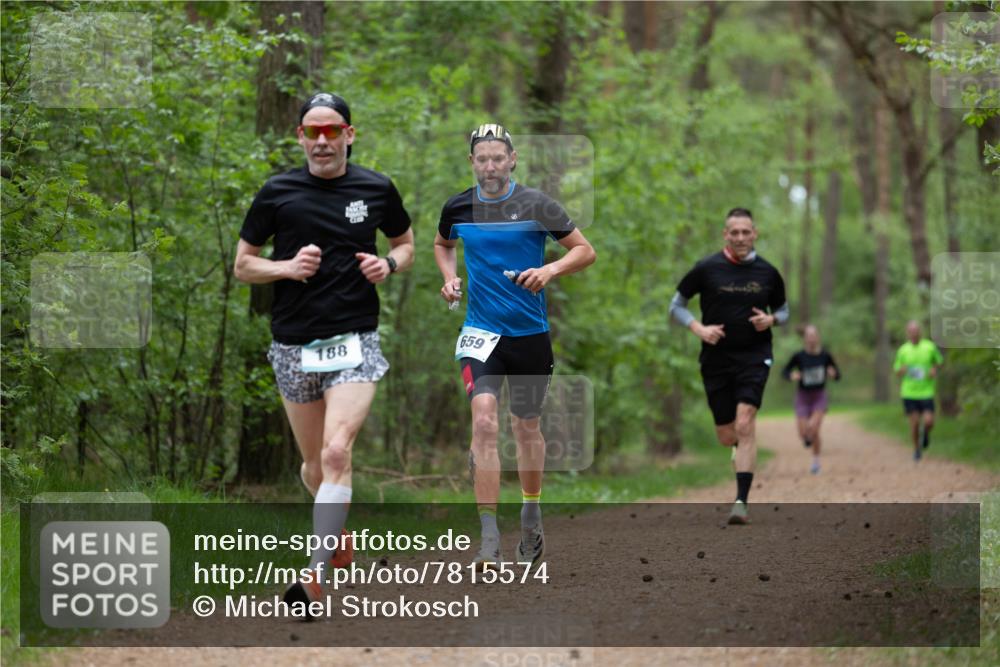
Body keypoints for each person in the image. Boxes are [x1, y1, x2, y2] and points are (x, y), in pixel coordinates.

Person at [234, 93, 414, 610]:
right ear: (299, 137)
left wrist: (390, 265)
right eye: (312, 132)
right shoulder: (277, 192)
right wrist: (286, 268)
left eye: (332, 131)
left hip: (354, 338)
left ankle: (313, 577)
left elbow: (404, 243)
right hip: (293, 343)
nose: (321, 141)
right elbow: (244, 265)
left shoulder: (375, 188)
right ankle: (337, 529)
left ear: (349, 135)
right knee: (314, 467)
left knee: (338, 452)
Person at [434, 124, 596, 570]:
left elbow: (585, 251)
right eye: (481, 158)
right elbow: (442, 243)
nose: (490, 166)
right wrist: (449, 278)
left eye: (497, 158)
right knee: (484, 422)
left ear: (513, 159)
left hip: (530, 336)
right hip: (480, 335)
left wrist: (549, 271)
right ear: (472, 162)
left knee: (525, 428)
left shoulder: (536, 204)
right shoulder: (457, 207)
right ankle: (488, 538)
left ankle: (530, 512)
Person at [669, 208, 789, 525]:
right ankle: (738, 448)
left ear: (755, 233)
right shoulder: (706, 268)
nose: (740, 238)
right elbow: (676, 305)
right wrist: (698, 329)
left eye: (745, 232)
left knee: (746, 422)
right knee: (727, 435)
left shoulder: (768, 272)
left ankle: (741, 501)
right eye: (733, 232)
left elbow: (784, 310)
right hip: (716, 359)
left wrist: (772, 319)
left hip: (755, 355)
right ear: (725, 234)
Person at [781, 324, 840, 474]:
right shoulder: (798, 356)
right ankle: (807, 438)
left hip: (819, 395)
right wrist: (791, 375)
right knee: (803, 433)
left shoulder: (825, 356)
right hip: (803, 396)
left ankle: (816, 462)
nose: (812, 338)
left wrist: (833, 374)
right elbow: (785, 372)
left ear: (818, 337)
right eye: (809, 336)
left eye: (814, 335)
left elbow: (838, 374)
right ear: (805, 339)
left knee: (813, 427)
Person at [893, 320, 943, 461]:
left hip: (927, 391)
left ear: (920, 332)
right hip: (909, 392)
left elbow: (938, 362)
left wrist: (934, 369)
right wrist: (901, 371)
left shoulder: (929, 347)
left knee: (928, 421)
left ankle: (926, 434)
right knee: (914, 423)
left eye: (916, 331)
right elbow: (896, 369)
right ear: (907, 333)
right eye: (911, 331)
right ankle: (916, 449)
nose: (914, 334)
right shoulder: (903, 350)